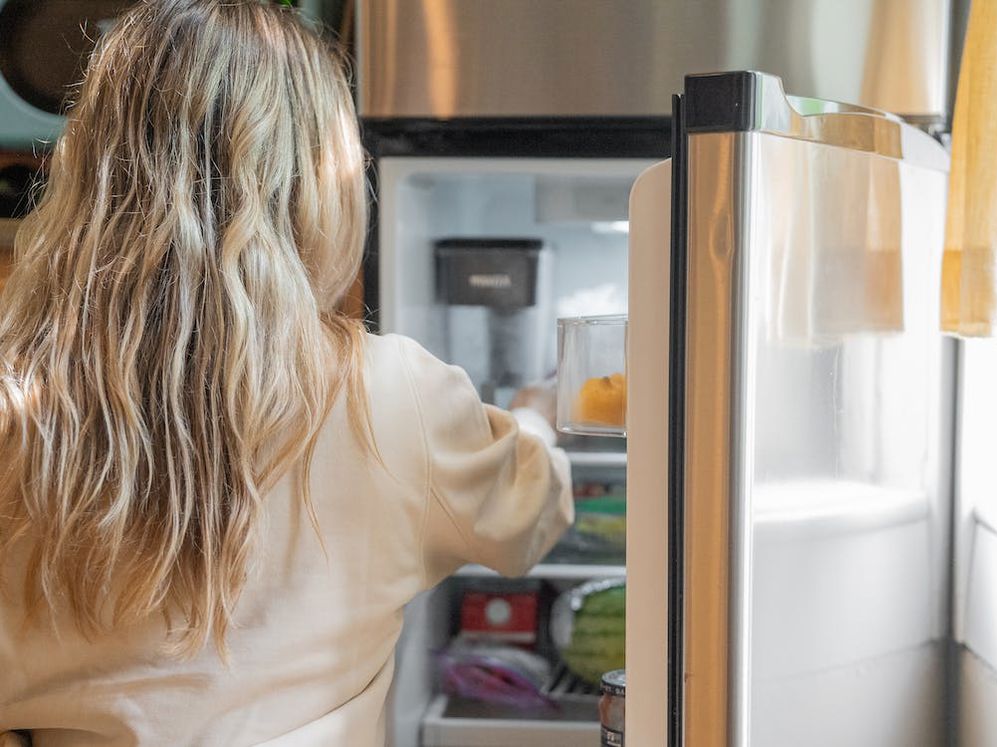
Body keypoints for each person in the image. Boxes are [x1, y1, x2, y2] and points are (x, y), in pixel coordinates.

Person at [0, 1, 573, 744]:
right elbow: (528, 518)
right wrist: (533, 414)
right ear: (315, 188)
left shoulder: (17, 407)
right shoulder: (392, 397)